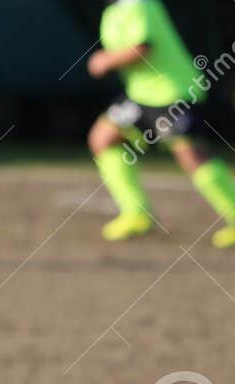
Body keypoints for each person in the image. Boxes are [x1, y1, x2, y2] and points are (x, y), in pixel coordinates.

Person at [87, 0, 235, 248]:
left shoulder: (140, 4)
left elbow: (142, 49)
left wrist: (106, 60)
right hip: (140, 95)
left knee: (191, 156)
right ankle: (137, 214)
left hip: (172, 92)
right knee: (104, 138)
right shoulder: (111, 12)